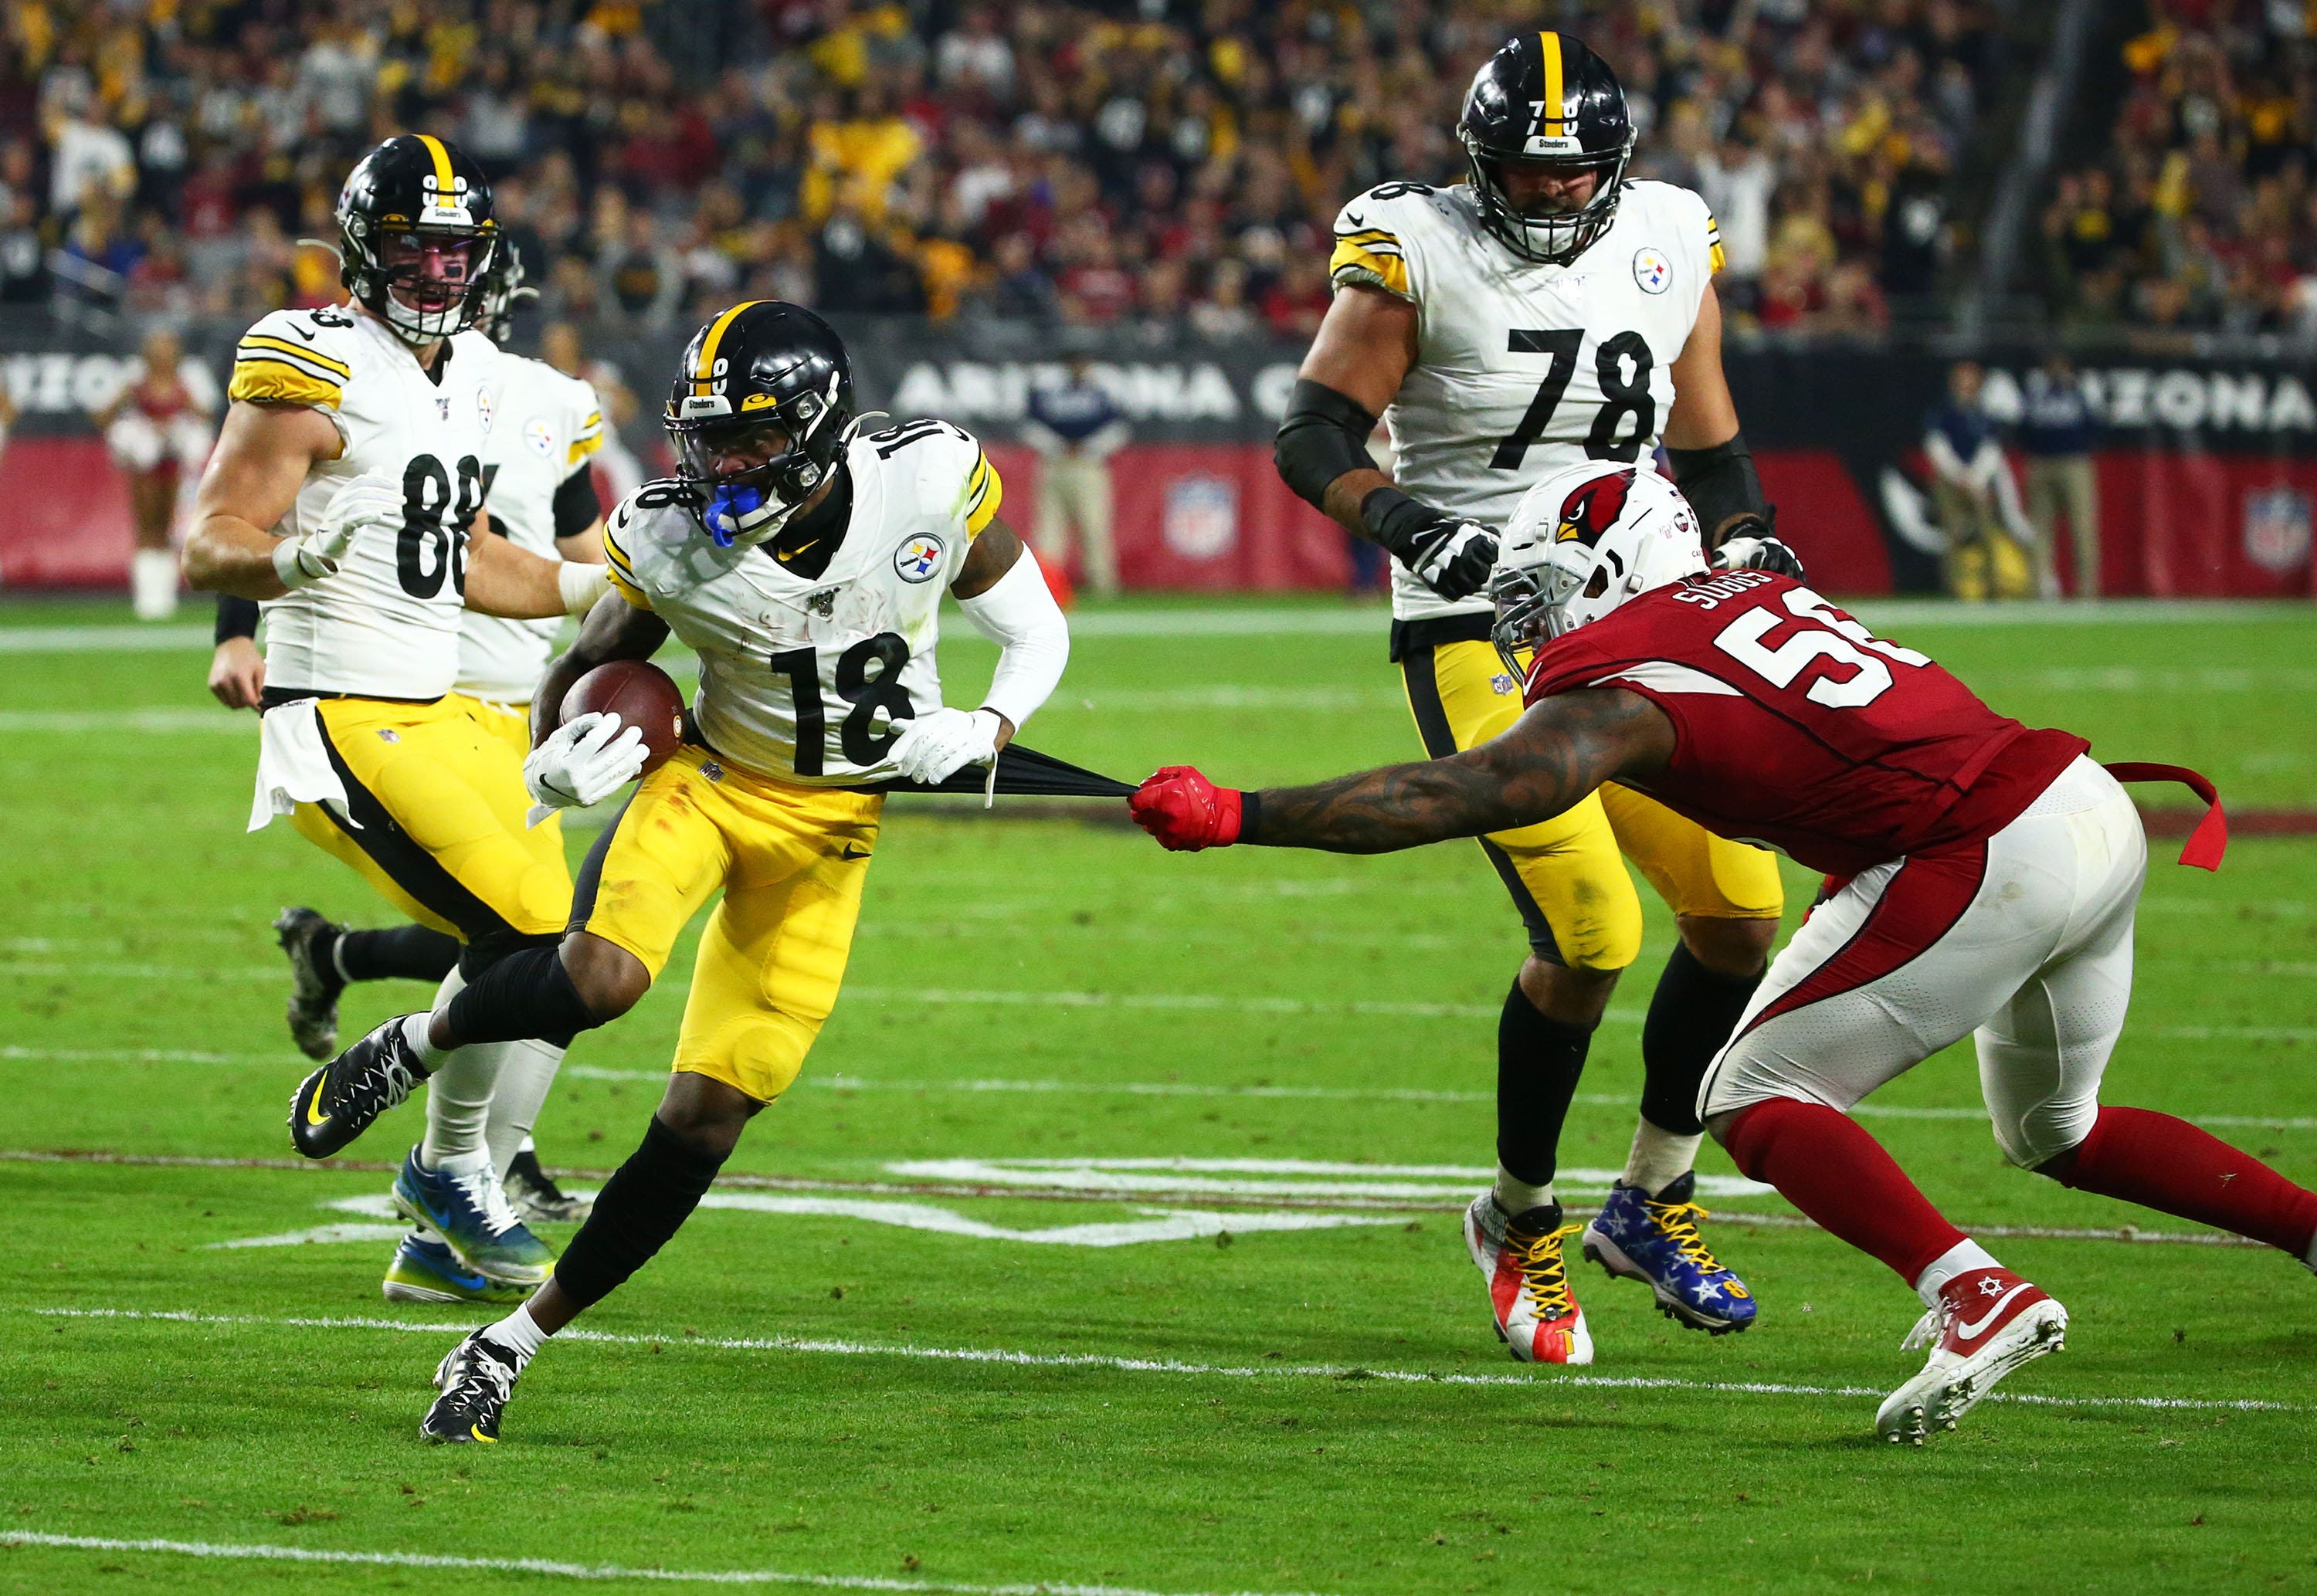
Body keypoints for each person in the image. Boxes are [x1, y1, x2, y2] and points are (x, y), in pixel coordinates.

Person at [1131, 459, 2314, 1443]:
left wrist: (1241, 812)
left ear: (1619, 568)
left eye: (1554, 591)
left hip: (1985, 851)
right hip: (2087, 804)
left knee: (1751, 1091)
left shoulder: (1629, 671)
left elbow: (1474, 788)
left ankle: (1975, 1291)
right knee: (2058, 1127)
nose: (1535, 624)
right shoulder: (1753, 590)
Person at [287, 300, 1071, 1444]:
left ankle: (505, 1345)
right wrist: (553, 758)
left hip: (831, 829)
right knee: (600, 977)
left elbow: (1037, 631)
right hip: (710, 782)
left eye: (748, 440)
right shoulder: (668, 533)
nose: (721, 465)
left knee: (708, 1116)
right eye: (706, 439)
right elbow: (590, 661)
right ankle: (415, 1042)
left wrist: (990, 723)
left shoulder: (928, 477)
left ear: (817, 427)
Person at [1270, 31, 1803, 1364]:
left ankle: (1654, 1193)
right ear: (1478, 160)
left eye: (1574, 171)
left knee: (1742, 913)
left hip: (1640, 609)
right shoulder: (1416, 244)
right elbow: (1312, 431)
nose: (1553, 191)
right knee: (1590, 930)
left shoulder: (1671, 233)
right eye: (1525, 169)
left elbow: (1711, 439)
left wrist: (1746, 534)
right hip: (1480, 619)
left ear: (1617, 165)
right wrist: (1412, 525)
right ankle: (1518, 1215)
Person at [181, 134, 615, 1306]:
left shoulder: (469, 372)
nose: (435, 269)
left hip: (445, 710)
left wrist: (602, 587)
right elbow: (210, 537)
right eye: (412, 246)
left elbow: (470, 559)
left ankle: (435, 1216)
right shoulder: (310, 354)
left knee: (568, 950)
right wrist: (283, 562)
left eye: (453, 250)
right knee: (526, 931)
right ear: (362, 248)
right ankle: (438, 1150)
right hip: (340, 709)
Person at [93, 325, 215, 621]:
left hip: (178, 459)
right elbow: (102, 415)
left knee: (170, 526)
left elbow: (207, 415)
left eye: (168, 348)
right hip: (144, 460)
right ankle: (147, 597)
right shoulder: (133, 378)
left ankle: (165, 595)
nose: (163, 355)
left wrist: (184, 403)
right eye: (158, 348)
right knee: (147, 524)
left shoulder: (191, 376)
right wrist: (130, 410)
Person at [1923, 361, 2037, 601]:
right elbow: (1937, 447)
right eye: (1961, 380)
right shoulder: (1942, 411)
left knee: (1987, 532)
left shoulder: (1984, 414)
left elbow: (1991, 449)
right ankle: (1956, 591)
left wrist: (1975, 478)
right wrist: (1959, 476)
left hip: (1978, 482)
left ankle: (1992, 588)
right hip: (1950, 481)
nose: (1965, 385)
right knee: (1953, 534)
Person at [1021, 353, 1126, 600]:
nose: (1078, 367)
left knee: (1094, 527)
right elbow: (1030, 428)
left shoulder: (1101, 393)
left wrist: (1088, 447)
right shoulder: (1049, 392)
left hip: (1088, 465)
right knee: (1048, 531)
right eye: (1073, 362)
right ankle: (1047, 584)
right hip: (1054, 465)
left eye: (1082, 362)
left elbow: (1119, 429)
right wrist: (1058, 446)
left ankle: (1103, 585)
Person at [2020, 351, 2101, 598]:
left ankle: (2087, 588)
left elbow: (2096, 426)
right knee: (2040, 527)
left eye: (2061, 366)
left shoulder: (2082, 392)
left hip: (2074, 463)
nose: (2057, 371)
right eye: (2052, 366)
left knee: (2082, 526)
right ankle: (2042, 587)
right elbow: (2023, 428)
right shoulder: (2035, 393)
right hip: (2041, 463)